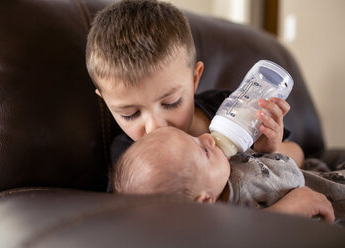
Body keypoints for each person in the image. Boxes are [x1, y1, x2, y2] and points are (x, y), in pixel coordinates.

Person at [85, 0, 331, 221]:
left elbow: (299, 155)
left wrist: (269, 149)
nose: (155, 127)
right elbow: (172, 227)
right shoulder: (132, 164)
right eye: (130, 114)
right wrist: (283, 214)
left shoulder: (227, 107)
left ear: (194, 79)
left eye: (170, 102)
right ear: (105, 101)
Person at [112, 126, 341, 224]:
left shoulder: (218, 173)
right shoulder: (236, 202)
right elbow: (249, 235)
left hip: (317, 170)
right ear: (203, 202)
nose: (206, 137)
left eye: (192, 137)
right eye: (203, 150)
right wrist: (285, 212)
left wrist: (266, 147)